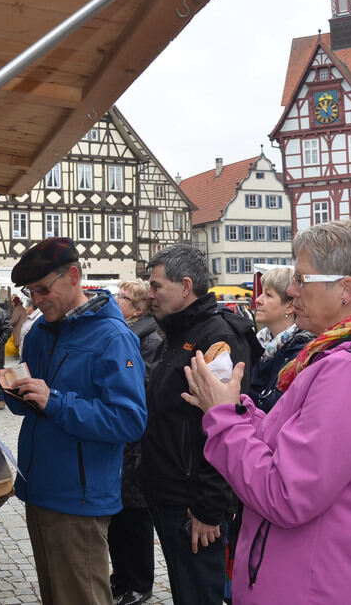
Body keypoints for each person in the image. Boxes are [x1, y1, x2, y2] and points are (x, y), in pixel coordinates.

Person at [181, 219, 351, 604]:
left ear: (346, 290)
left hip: (320, 586)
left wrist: (224, 422)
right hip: (333, 576)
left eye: (301, 279)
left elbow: (286, 494)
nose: (291, 290)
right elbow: (296, 442)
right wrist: (234, 409)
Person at [5, 237, 147, 605]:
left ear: (72, 276)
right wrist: (16, 393)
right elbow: (33, 408)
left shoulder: (113, 337)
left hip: (80, 500)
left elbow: (129, 420)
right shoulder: (39, 332)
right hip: (39, 490)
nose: (36, 300)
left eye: (42, 289)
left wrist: (56, 402)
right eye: (30, 291)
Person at [138, 244, 260, 605]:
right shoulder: (179, 333)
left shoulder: (216, 339)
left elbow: (225, 426)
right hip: (169, 495)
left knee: (200, 596)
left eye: (157, 286)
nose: (150, 293)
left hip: (193, 508)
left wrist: (209, 509)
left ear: (186, 287)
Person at [109, 279, 162, 605]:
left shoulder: (149, 340)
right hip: (122, 443)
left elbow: (144, 386)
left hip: (138, 443)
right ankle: (121, 576)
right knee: (118, 515)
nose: (117, 299)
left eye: (124, 297)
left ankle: (140, 583)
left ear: (139, 308)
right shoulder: (125, 334)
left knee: (137, 519)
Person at [249, 266, 314, 412]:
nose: (258, 300)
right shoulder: (258, 344)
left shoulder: (300, 353)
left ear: (290, 306)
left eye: (268, 295)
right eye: (261, 293)